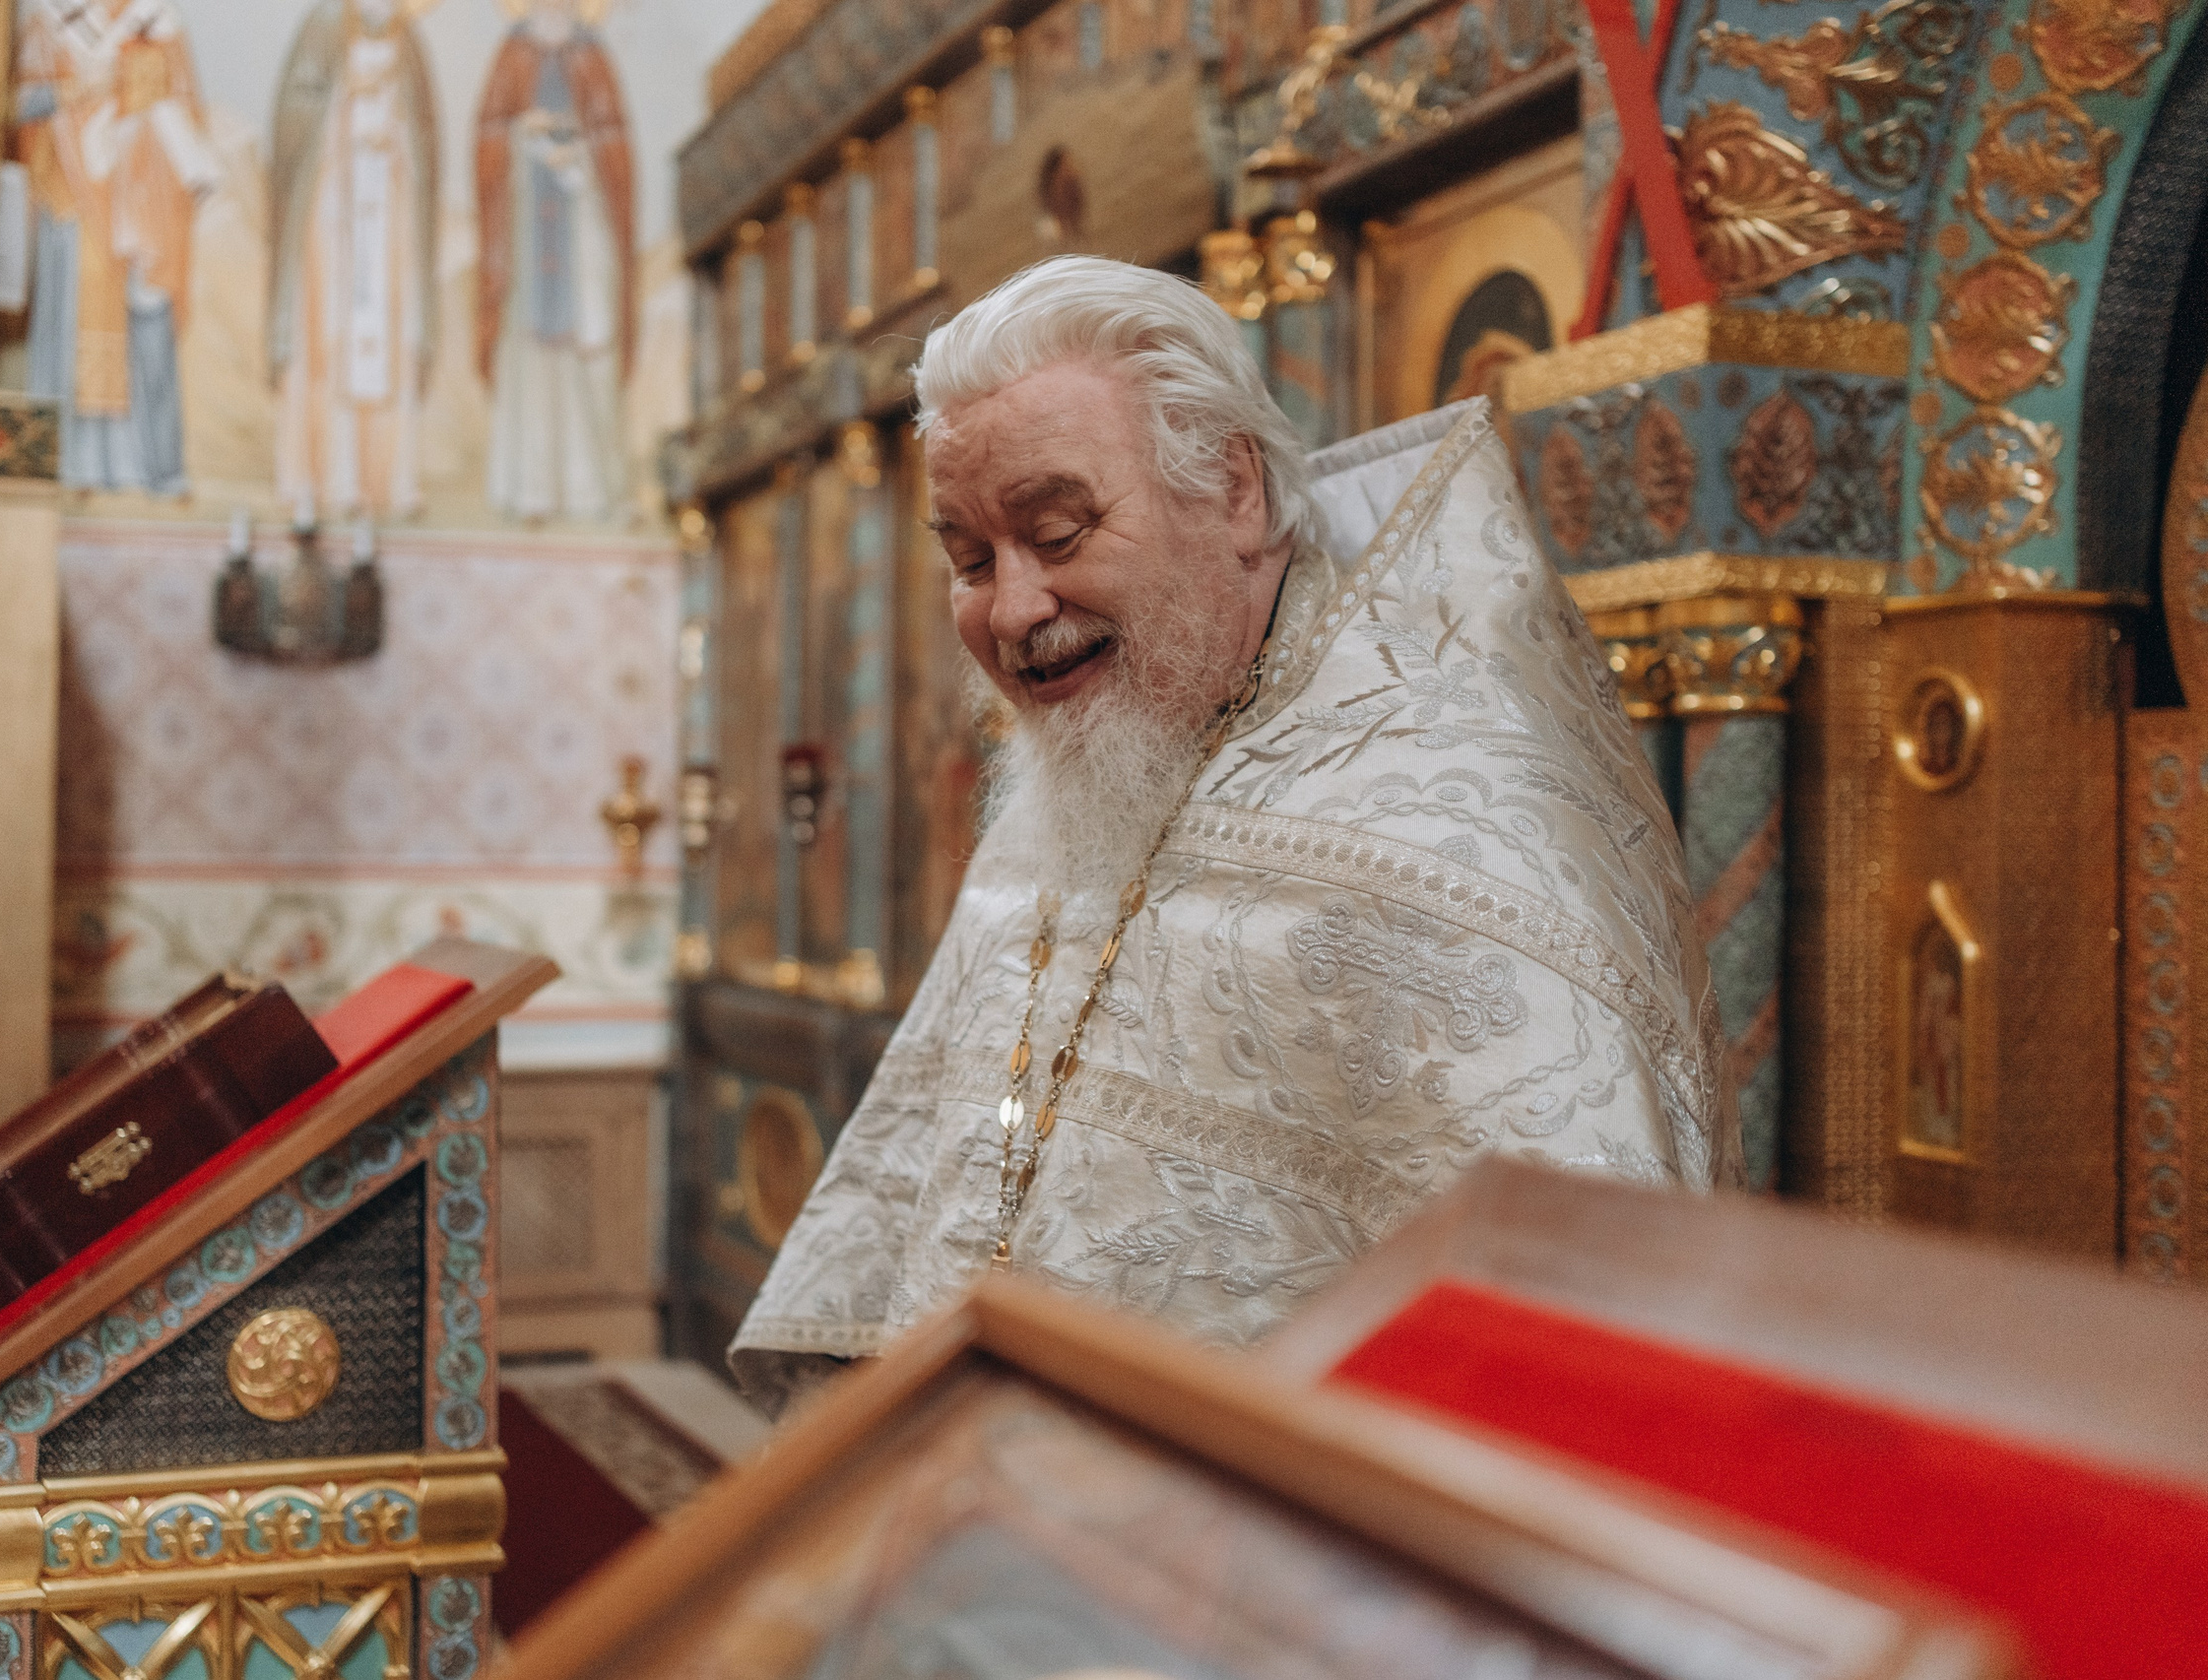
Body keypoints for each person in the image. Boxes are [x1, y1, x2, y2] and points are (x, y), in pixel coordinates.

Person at [730, 256, 1735, 1414]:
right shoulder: (1078, 782)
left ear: (1234, 490)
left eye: (1057, 531)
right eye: (967, 559)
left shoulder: (1461, 828)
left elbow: (1567, 1356)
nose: (1010, 608)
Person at [16, 0, 219, 494]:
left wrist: (142, 112)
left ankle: (148, 468)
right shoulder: (54, 21)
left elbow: (187, 111)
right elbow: (18, 106)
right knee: (71, 325)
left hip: (141, 202)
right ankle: (69, 462)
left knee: (146, 329)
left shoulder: (159, 24)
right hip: (72, 204)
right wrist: (75, 91)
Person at [269, 0, 439, 520]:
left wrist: (395, 130)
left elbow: (425, 133)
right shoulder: (322, 26)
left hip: (389, 209)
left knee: (392, 339)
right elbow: (294, 116)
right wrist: (344, 107)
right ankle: (326, 479)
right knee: (327, 338)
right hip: (331, 207)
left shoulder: (409, 40)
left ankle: (389, 481)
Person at [475, 2, 637, 525]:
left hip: (580, 228)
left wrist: (581, 152)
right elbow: (489, 133)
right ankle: (531, 490)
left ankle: (590, 491)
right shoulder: (512, 53)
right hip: (526, 230)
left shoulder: (593, 55)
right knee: (530, 361)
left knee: (586, 355)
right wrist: (523, 136)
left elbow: (613, 141)